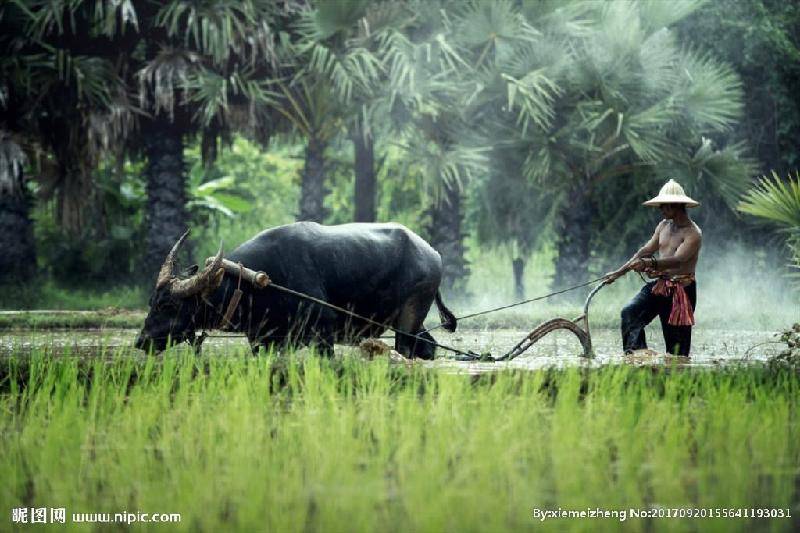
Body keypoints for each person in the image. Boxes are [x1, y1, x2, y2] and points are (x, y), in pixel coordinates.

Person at [603, 179, 702, 356]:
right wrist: (617, 273)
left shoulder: (692, 233)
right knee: (630, 313)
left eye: (664, 206)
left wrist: (650, 263)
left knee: (676, 350)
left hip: (681, 292)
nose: (661, 210)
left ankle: (677, 373)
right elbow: (645, 251)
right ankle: (639, 356)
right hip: (661, 286)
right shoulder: (663, 226)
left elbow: (678, 260)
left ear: (676, 206)